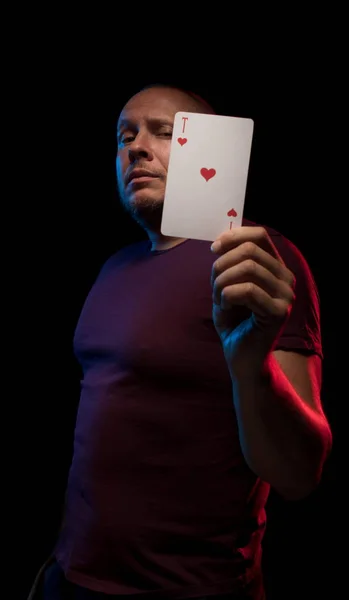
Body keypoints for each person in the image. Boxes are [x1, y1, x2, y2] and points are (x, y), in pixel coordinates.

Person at [29, 84, 332, 599]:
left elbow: (299, 474)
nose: (135, 147)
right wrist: (58, 562)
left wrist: (250, 364)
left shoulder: (256, 260)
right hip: (70, 578)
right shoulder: (113, 267)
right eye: (124, 136)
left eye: (163, 132)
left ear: (213, 147)